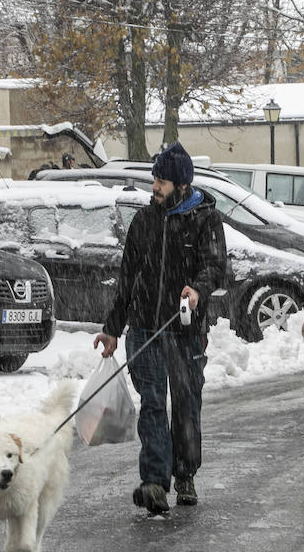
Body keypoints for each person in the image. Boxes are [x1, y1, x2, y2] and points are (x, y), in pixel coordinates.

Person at [93, 142, 228, 515]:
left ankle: (185, 474)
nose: (155, 187)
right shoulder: (144, 221)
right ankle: (154, 482)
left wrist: (197, 290)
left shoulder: (205, 219)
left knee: (186, 403)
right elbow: (127, 279)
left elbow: (215, 267)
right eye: (155, 179)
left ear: (182, 185)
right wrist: (112, 328)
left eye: (163, 181)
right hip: (144, 328)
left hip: (185, 330)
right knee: (152, 404)